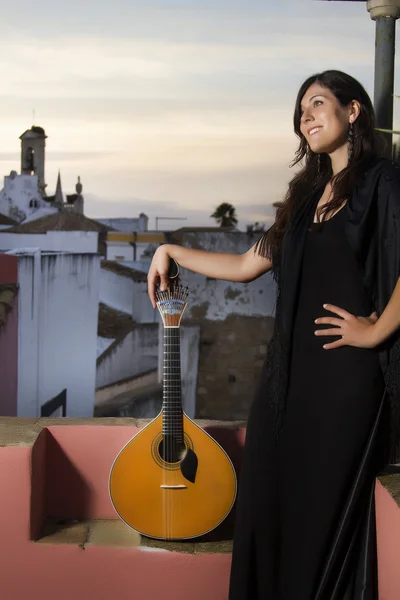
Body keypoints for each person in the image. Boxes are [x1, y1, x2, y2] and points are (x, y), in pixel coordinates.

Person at [147, 70, 400, 599]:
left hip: (346, 384)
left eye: (317, 103)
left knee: (319, 517)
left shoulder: (384, 181)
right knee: (266, 504)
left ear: (353, 111)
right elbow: (244, 264)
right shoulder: (307, 195)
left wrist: (377, 330)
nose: (305, 117)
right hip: (287, 383)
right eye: (300, 111)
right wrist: (169, 251)